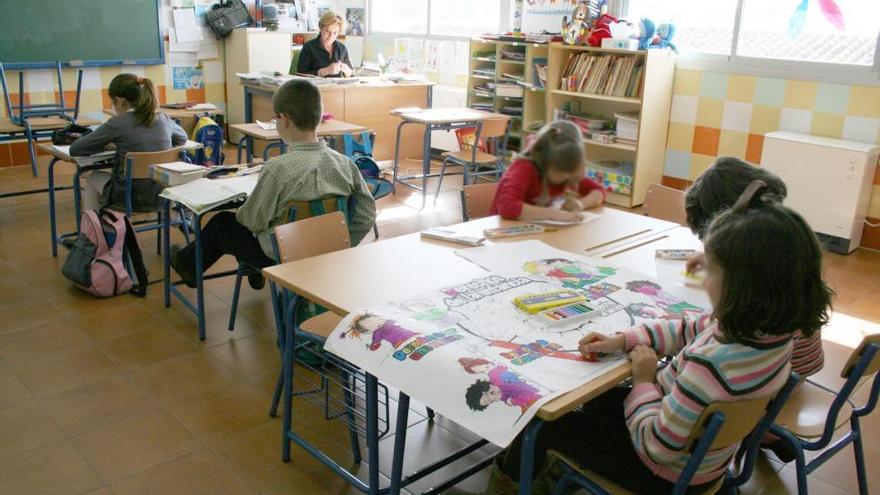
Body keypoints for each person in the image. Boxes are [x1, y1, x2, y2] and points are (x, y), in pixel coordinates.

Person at [496, 184, 833, 494]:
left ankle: (506, 481)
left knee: (542, 422)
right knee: (596, 399)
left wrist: (643, 381)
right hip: (702, 457)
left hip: (663, 473)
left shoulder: (709, 367)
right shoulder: (771, 333)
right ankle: (557, 471)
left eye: (711, 269)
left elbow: (656, 445)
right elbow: (690, 327)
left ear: (744, 288)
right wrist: (622, 340)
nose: (700, 273)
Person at [169, 79, 376, 289]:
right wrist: (341, 242)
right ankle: (249, 268)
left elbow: (251, 221)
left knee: (223, 223)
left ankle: (188, 266)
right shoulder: (345, 164)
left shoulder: (278, 169)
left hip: (281, 257)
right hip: (330, 254)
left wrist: (245, 208)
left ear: (285, 120)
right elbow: (366, 214)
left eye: (275, 118)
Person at [684, 157, 825, 381]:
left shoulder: (747, 301)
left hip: (766, 382)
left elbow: (716, 330)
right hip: (794, 369)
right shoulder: (785, 238)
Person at [70, 74, 187, 211]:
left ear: (119, 101)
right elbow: (182, 138)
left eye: (112, 103)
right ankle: (173, 217)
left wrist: (108, 144)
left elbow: (76, 149)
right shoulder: (163, 119)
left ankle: (95, 229)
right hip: (163, 195)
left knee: (92, 178)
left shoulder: (117, 123)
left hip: (128, 198)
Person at [489, 120, 605, 222]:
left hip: (537, 232)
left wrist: (581, 204)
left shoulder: (568, 172)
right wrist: (554, 215)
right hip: (502, 232)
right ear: (545, 162)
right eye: (560, 172)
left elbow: (599, 191)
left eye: (569, 174)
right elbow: (507, 206)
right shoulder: (524, 168)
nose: (566, 178)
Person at [297, 11, 354, 77]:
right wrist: (324, 72)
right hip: (316, 86)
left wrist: (348, 71)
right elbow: (299, 75)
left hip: (337, 87)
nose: (331, 36)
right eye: (328, 31)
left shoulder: (342, 49)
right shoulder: (309, 47)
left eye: (335, 33)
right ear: (321, 28)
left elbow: (353, 74)